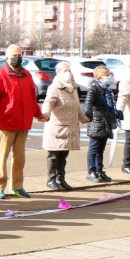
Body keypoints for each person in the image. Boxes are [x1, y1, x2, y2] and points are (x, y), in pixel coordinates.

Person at [0, 44, 47, 199]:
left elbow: (32, 98)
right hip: (6, 123)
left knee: (19, 157)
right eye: (14, 56)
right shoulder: (0, 75)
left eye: (19, 55)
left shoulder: (26, 75)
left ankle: (17, 186)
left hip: (23, 123)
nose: (17, 58)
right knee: (2, 156)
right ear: (7, 57)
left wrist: (38, 114)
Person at [41, 62, 89, 191]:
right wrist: (45, 114)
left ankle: (61, 179)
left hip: (69, 127)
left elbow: (77, 108)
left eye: (69, 70)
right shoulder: (55, 87)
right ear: (58, 73)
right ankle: (51, 180)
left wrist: (84, 119)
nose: (68, 73)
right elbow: (48, 102)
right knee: (54, 156)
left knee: (63, 156)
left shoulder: (72, 88)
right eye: (65, 71)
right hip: (58, 128)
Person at [83, 65, 118, 183]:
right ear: (99, 77)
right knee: (94, 149)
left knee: (101, 149)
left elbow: (109, 107)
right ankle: (91, 171)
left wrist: (117, 113)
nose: (109, 78)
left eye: (109, 75)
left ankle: (99, 170)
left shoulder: (106, 90)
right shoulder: (94, 89)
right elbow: (87, 105)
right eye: (106, 76)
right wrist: (87, 116)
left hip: (105, 123)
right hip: (97, 123)